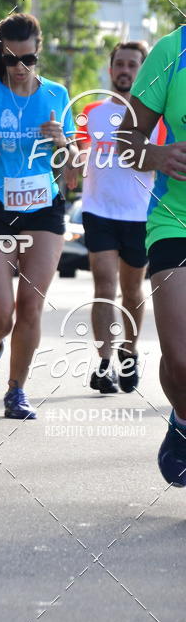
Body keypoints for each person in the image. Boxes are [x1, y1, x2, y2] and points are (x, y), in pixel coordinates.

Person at [0, 13, 77, 419]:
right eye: (11, 59)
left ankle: (16, 390)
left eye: (28, 59)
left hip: (43, 209)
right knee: (0, 313)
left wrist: (63, 143)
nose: (20, 68)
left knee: (30, 306)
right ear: (1, 57)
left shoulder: (56, 95)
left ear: (39, 53)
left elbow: (74, 160)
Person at [117, 25, 186, 486]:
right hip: (176, 220)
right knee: (181, 360)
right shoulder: (172, 50)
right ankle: (182, 418)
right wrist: (158, 155)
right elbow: (128, 141)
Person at [76, 41, 165, 394]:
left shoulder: (154, 118)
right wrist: (73, 160)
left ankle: (128, 354)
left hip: (139, 214)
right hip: (98, 209)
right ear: (111, 69)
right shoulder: (92, 111)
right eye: (120, 64)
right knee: (103, 288)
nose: (125, 70)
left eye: (133, 65)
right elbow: (78, 151)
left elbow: (162, 158)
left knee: (131, 291)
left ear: (141, 71)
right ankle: (103, 364)